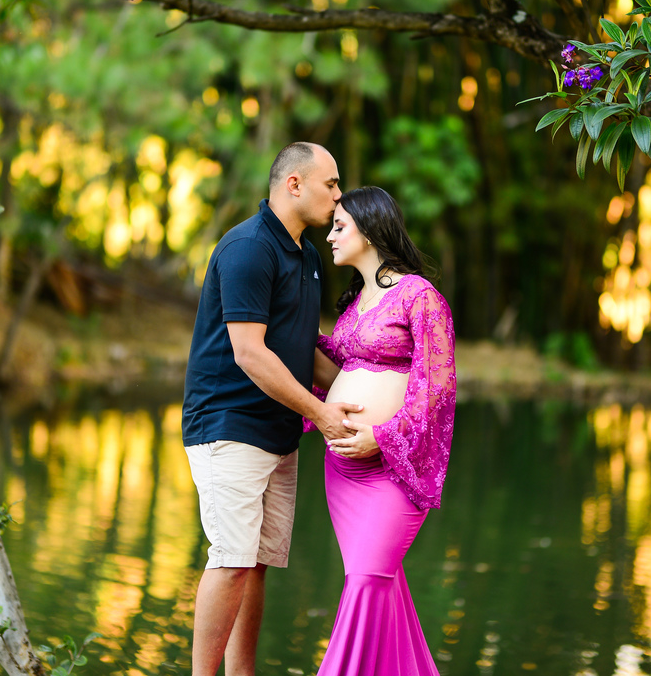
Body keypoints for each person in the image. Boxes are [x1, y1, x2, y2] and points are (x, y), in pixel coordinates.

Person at [181, 142, 363, 676]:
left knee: (256, 565)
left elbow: (300, 348)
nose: (338, 196)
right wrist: (325, 416)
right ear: (294, 185)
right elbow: (250, 352)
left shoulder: (306, 254)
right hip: (228, 427)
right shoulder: (248, 248)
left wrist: (364, 395)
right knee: (231, 560)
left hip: (277, 433)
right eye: (331, 184)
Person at [311, 185, 456, 676]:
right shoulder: (357, 303)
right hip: (344, 474)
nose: (330, 236)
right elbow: (343, 363)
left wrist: (382, 437)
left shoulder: (419, 296)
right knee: (381, 587)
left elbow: (436, 391)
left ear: (370, 230)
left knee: (368, 579)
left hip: (392, 468)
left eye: (339, 226)